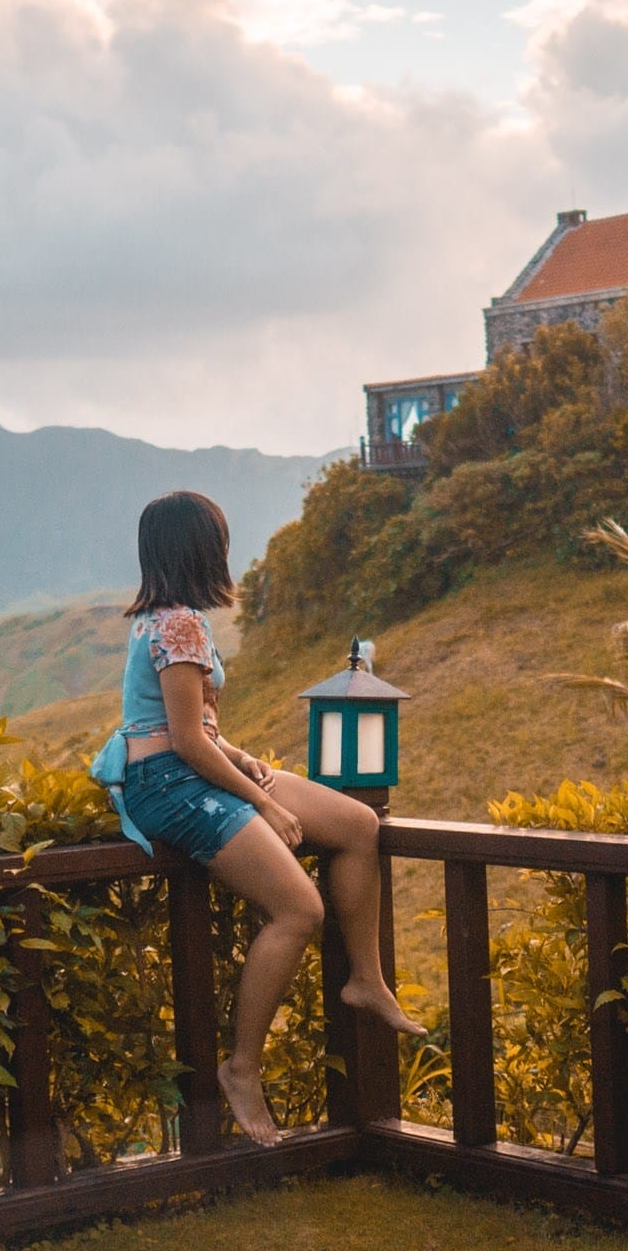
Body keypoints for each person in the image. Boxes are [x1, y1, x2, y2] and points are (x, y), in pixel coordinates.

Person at [116, 489, 424, 1145]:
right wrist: (262, 797)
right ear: (201, 550)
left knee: (357, 827)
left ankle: (365, 980)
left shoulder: (165, 620)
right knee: (300, 910)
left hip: (189, 767)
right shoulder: (178, 626)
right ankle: (241, 1069)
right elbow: (184, 742)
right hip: (170, 786)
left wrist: (245, 759)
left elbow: (191, 730)